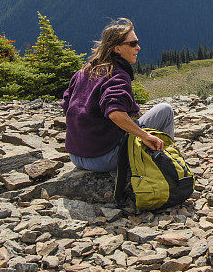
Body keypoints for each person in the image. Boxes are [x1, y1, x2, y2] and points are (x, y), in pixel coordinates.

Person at [61, 18, 175, 173]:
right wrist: (145, 136)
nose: (138, 47)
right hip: (103, 159)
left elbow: (66, 104)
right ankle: (165, 165)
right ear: (117, 49)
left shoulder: (84, 71)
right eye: (133, 44)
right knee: (165, 110)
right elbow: (115, 113)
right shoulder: (117, 74)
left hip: (76, 156)